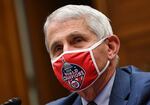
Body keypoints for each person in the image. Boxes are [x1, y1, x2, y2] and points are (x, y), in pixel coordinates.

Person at [43, 4, 150, 105]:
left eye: (77, 40)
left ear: (110, 48)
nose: (66, 53)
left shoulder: (145, 92)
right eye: (58, 48)